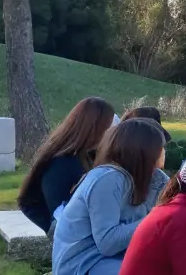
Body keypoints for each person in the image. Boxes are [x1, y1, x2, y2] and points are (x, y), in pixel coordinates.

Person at [51, 118, 169, 275]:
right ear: (142, 150)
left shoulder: (156, 178)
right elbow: (107, 242)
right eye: (159, 146)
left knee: (179, 270)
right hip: (84, 269)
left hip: (119, 259)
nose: (164, 151)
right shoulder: (108, 179)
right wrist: (155, 218)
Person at [18, 97, 116, 233]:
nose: (111, 134)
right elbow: (60, 212)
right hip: (68, 233)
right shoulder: (61, 163)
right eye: (108, 128)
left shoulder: (87, 154)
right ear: (94, 128)